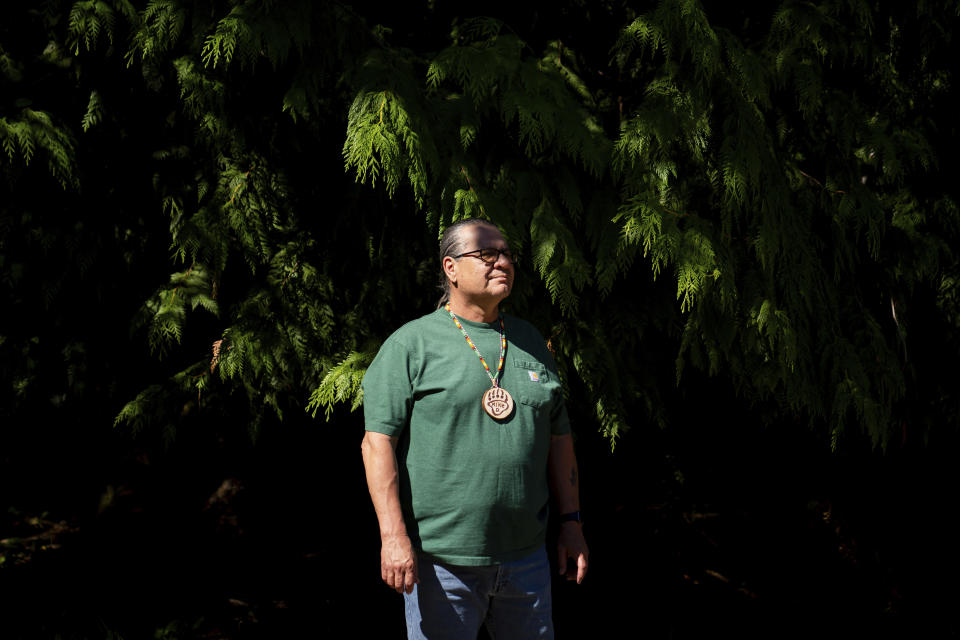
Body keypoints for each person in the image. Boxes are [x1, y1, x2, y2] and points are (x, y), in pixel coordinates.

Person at [360, 218, 589, 639]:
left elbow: (560, 440)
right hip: (441, 564)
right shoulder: (412, 345)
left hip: (526, 561)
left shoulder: (529, 341)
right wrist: (392, 536)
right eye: (486, 254)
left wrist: (571, 523)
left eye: (506, 254)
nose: (502, 262)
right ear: (450, 268)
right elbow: (377, 444)